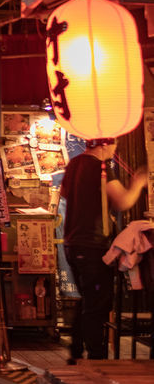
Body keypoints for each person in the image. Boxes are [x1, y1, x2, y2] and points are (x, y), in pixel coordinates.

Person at [59, 138, 147, 362]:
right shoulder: (101, 167)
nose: (115, 149)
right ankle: (96, 357)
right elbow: (123, 201)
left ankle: (76, 350)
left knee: (89, 298)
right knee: (98, 302)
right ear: (104, 144)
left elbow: (66, 194)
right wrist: (138, 183)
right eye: (114, 144)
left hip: (73, 243)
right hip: (92, 244)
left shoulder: (74, 164)